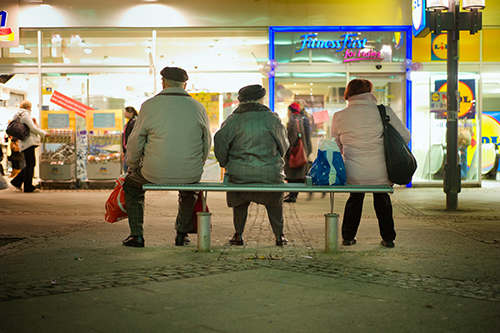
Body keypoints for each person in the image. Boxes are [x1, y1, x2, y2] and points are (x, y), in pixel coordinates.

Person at [122, 67, 211, 248]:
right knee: (189, 189)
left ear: (163, 83)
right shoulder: (198, 107)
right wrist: (197, 165)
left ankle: (136, 235)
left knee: (132, 186)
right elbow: (206, 143)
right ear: (185, 84)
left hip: (152, 171)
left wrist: (132, 164)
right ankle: (181, 234)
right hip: (189, 171)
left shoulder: (149, 106)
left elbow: (135, 141)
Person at [330, 79, 410, 248]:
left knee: (355, 200)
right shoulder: (384, 111)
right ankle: (388, 239)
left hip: (354, 171)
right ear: (369, 91)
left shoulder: (339, 116)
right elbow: (405, 136)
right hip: (382, 170)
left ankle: (348, 237)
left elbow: (335, 146)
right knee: (382, 200)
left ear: (349, 93)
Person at [214, 84, 290, 246]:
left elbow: (220, 144)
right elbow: (284, 145)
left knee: (240, 203)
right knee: (275, 203)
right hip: (270, 174)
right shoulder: (272, 118)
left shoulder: (232, 120)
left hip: (239, 174)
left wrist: (226, 163)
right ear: (261, 99)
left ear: (241, 100)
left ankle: (238, 234)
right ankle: (279, 236)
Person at [11, 100, 47, 193]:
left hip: (23, 142)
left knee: (30, 164)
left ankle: (18, 182)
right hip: (28, 142)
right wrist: (44, 134)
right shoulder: (25, 114)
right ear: (28, 107)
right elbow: (33, 128)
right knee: (30, 164)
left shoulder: (17, 115)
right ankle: (26, 185)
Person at [284, 102, 310, 203]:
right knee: (296, 174)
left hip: (294, 151)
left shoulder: (292, 120)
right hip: (300, 149)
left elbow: (293, 136)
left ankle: (292, 195)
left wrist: (289, 149)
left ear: (290, 110)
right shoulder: (301, 119)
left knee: (292, 173)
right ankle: (292, 194)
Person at [122, 106, 138, 172]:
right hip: (127, 148)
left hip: (130, 148)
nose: (124, 113)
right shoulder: (129, 123)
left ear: (131, 113)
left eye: (126, 112)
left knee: (126, 167)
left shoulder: (133, 122)